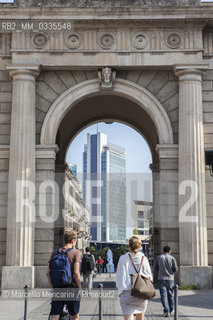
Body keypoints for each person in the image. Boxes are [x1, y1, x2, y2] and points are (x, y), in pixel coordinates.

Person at [46, 230, 82, 320]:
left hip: (58, 289)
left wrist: (53, 288)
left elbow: (47, 273)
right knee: (75, 316)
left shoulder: (55, 253)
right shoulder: (76, 253)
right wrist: (79, 287)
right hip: (72, 288)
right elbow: (76, 272)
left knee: (54, 315)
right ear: (73, 241)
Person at [116, 236, 153, 320]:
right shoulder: (144, 258)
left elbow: (119, 276)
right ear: (139, 246)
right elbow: (149, 276)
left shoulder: (123, 258)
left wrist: (120, 291)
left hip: (126, 293)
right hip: (141, 293)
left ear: (129, 246)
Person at [153, 246, 178, 318]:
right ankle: (171, 309)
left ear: (163, 251)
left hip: (161, 278)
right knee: (170, 295)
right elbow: (175, 269)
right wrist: (170, 271)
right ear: (169, 251)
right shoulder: (172, 258)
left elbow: (155, 268)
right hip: (170, 279)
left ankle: (166, 311)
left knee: (163, 295)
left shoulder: (159, 257)